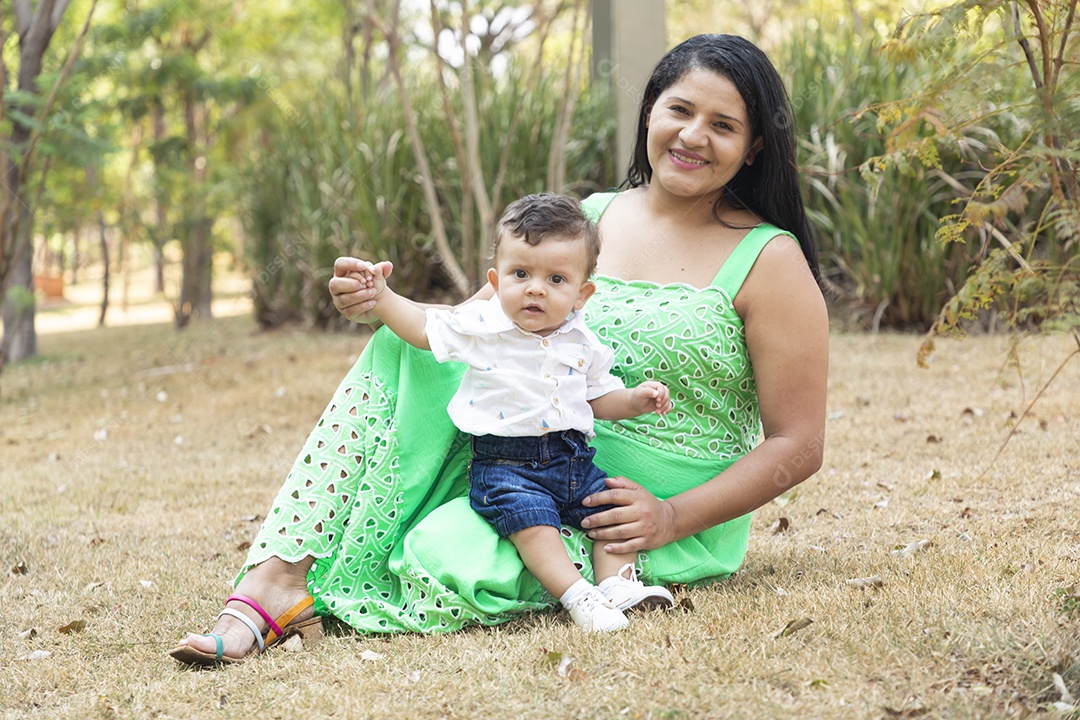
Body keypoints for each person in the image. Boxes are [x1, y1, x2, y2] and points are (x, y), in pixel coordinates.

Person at [170, 33, 828, 665]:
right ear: (650, 109)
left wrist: (669, 517)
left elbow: (797, 444)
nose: (692, 136)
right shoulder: (589, 219)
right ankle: (275, 581)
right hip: (526, 459)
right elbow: (475, 322)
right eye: (680, 110)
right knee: (409, 350)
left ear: (753, 147)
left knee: (438, 555)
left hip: (641, 508)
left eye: (723, 124)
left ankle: (573, 563)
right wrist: (380, 301)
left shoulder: (769, 259)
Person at [352, 192, 676, 633]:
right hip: (506, 466)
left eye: (556, 279)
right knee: (533, 524)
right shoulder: (485, 326)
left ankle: (618, 585)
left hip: (572, 459)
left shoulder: (582, 341)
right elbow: (425, 330)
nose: (535, 288)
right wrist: (382, 297)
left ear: (582, 294)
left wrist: (635, 400)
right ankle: (578, 596)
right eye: (520, 273)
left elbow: (599, 398)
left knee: (609, 513)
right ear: (496, 278)